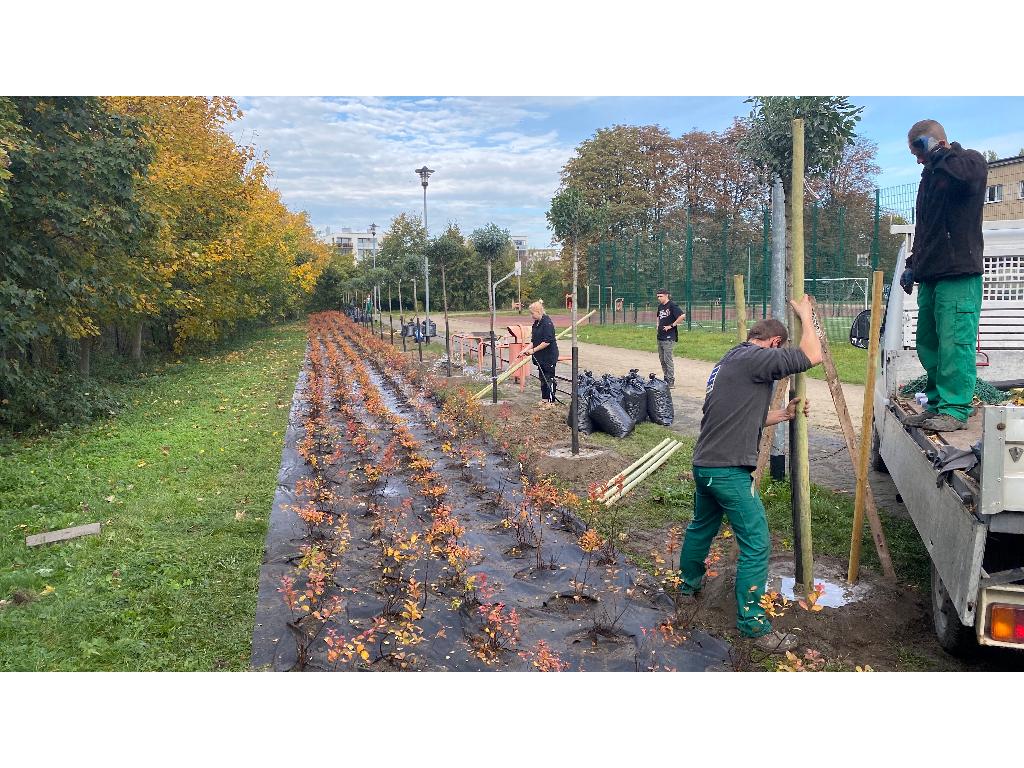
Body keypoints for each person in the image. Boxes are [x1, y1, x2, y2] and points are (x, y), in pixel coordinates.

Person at [677, 295, 822, 651]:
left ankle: (686, 589)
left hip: (705, 466)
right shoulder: (757, 358)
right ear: (774, 344)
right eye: (779, 350)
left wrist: (784, 415)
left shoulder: (731, 360)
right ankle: (753, 625)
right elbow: (812, 356)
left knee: (701, 528)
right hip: (728, 471)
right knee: (757, 544)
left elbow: (743, 416)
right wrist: (807, 316)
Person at [901, 119, 987, 432]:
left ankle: (956, 409)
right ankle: (936, 404)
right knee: (929, 343)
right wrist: (913, 262)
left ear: (931, 142)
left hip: (958, 275)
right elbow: (927, 229)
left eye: (918, 150)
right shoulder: (929, 179)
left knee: (955, 344)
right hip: (932, 275)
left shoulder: (968, 162)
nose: (917, 159)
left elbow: (969, 179)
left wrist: (938, 154)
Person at [518, 300, 560, 405]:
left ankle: (551, 401)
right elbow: (534, 341)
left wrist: (533, 351)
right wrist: (525, 350)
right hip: (540, 356)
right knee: (542, 378)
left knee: (548, 377)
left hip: (549, 356)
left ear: (538, 311)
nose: (531, 315)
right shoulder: (536, 324)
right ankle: (544, 399)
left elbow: (546, 342)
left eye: (532, 313)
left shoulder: (547, 323)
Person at [655, 289, 685, 387]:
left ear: (666, 295)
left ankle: (671, 380)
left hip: (669, 337)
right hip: (660, 336)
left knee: (668, 359)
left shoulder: (672, 305)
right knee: (662, 359)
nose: (659, 298)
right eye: (658, 296)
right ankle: (666, 378)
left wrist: (672, 325)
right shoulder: (660, 307)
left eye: (661, 296)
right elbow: (658, 317)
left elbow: (682, 316)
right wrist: (657, 325)